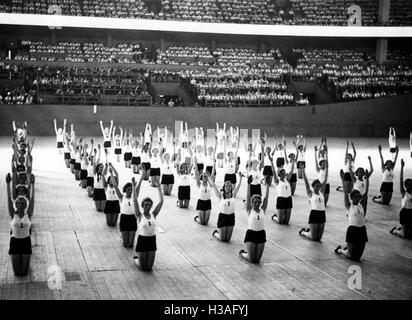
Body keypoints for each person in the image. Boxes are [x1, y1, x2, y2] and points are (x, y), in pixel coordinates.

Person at [335, 169, 369, 261]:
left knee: (358, 257)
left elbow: (366, 192)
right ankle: (341, 250)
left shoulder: (361, 205)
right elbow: (345, 192)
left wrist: (368, 179)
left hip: (362, 230)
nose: (358, 198)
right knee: (352, 257)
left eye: (359, 197)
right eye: (356, 197)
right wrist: (342, 180)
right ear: (352, 198)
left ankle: (347, 249)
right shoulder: (349, 206)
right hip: (353, 231)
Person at [132, 175, 164, 271]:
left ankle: (141, 258)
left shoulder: (154, 214)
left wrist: (159, 187)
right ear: (142, 206)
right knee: (143, 267)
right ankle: (136, 260)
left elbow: (161, 201)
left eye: (149, 205)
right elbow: (134, 200)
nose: (148, 207)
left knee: (149, 267)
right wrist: (134, 187)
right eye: (146, 205)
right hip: (142, 240)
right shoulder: (139, 216)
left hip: (151, 240)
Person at [6, 173, 34, 276]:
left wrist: (32, 184)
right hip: (15, 242)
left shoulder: (29, 213)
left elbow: (32, 199)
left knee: (24, 272)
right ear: (16, 205)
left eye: (22, 203)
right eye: (18, 203)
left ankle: (26, 261)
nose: (20, 205)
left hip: (26, 241)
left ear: (25, 205)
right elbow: (9, 197)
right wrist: (8, 184)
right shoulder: (12, 214)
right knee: (18, 273)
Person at [239, 179, 269, 263]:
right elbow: (248, 197)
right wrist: (248, 184)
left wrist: (267, 185)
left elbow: (266, 197)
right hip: (251, 234)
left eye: (259, 202)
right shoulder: (249, 210)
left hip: (261, 234)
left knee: (257, 260)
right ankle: (243, 254)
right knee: (252, 259)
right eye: (255, 202)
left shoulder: (263, 209)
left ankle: (248, 252)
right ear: (252, 203)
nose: (257, 204)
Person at [299, 160, 328, 241]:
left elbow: (325, 180)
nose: (318, 188)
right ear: (313, 186)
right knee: (313, 238)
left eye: (319, 186)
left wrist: (327, 168)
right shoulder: (310, 193)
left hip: (322, 213)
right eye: (316, 186)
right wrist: (302, 170)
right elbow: (306, 181)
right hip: (314, 214)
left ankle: (309, 231)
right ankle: (303, 232)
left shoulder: (321, 193)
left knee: (319, 238)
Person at [210, 172, 243, 242]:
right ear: (224, 188)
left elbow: (239, 185)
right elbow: (213, 185)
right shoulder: (221, 196)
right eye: (227, 186)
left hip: (231, 217)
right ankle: (215, 233)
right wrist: (210, 177)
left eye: (230, 186)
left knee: (227, 239)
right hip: (223, 217)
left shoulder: (233, 194)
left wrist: (240, 178)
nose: (228, 187)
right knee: (222, 239)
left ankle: (221, 233)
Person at [111, 178, 137, 248]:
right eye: (128, 189)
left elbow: (138, 187)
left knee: (131, 245)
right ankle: (123, 236)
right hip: (124, 219)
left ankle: (128, 236)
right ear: (125, 190)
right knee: (125, 244)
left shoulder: (134, 197)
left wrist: (134, 185)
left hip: (132, 218)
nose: (130, 191)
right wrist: (111, 174)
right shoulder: (122, 197)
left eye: (131, 189)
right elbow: (116, 186)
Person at [390, 159, 412, 239]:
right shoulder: (404, 193)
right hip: (405, 213)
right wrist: (402, 167)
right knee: (405, 236)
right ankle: (395, 230)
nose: (411, 186)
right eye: (409, 185)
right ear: (405, 186)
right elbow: (401, 179)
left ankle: (403, 229)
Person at [270, 154, 295, 225]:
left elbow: (292, 170)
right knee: (280, 222)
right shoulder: (277, 181)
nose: (284, 174)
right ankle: (275, 217)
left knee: (286, 222)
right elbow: (273, 171)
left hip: (288, 200)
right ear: (280, 175)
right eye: (283, 173)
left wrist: (293, 160)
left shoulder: (287, 179)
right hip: (281, 200)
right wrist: (271, 162)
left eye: (285, 173)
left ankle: (281, 214)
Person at [194, 159, 212, 225]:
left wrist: (214, 165)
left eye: (206, 176)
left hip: (208, 203)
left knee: (206, 223)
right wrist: (195, 163)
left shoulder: (210, 184)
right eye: (204, 176)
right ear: (202, 177)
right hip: (201, 202)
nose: (205, 177)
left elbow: (212, 174)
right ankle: (196, 218)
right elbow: (196, 172)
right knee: (202, 223)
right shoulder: (199, 184)